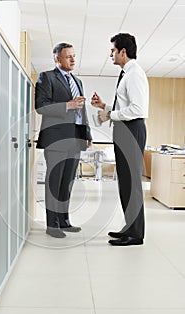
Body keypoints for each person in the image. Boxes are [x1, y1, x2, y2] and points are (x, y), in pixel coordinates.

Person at [91, 33, 149, 246]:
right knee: (125, 183)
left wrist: (110, 115)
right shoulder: (127, 74)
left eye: (113, 51)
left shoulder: (134, 74)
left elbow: (137, 109)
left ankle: (135, 234)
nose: (111, 55)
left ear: (123, 52)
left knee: (131, 184)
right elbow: (125, 107)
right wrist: (105, 107)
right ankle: (129, 228)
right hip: (126, 130)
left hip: (132, 130)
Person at [35, 42, 92, 238]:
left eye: (74, 56)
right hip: (56, 139)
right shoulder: (46, 77)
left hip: (75, 139)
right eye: (68, 56)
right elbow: (41, 107)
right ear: (58, 59)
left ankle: (64, 221)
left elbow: (81, 110)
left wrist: (87, 134)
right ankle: (52, 225)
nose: (73, 59)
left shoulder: (78, 81)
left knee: (67, 183)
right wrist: (67, 105)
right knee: (54, 183)